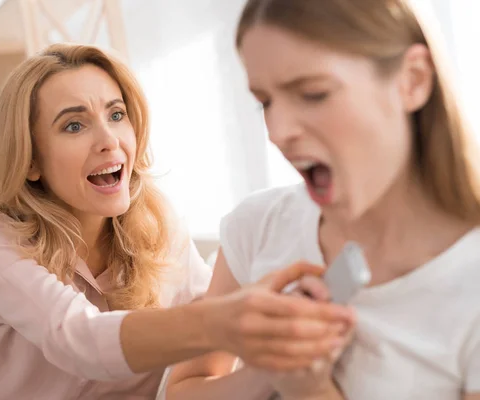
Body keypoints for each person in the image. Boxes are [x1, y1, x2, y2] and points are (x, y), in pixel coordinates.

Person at [0, 43, 353, 399]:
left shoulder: (157, 220)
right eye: (74, 125)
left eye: (116, 115)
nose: (109, 140)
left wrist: (276, 360)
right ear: (32, 159)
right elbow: (76, 339)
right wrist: (229, 318)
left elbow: (199, 370)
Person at [164, 0, 480, 399]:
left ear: (413, 80)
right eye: (265, 101)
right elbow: (180, 392)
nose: (277, 132)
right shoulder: (257, 225)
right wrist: (266, 371)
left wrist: (308, 388)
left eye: (312, 94)